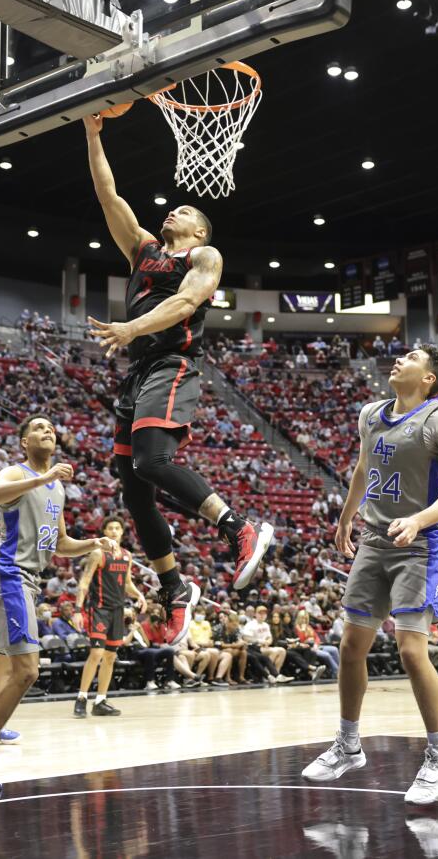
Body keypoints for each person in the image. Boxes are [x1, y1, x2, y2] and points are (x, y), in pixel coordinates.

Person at [83, 112, 274, 648]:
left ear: (199, 231)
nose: (174, 210)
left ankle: (237, 526)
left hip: (172, 364)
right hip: (139, 372)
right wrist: (93, 135)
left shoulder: (204, 256)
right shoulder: (144, 249)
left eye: (186, 210)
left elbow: (187, 302)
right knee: (135, 492)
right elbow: (107, 194)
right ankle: (175, 588)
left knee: (152, 460)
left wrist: (130, 327)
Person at [303, 345, 438, 805]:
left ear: (428, 378)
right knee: (350, 646)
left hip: (416, 545)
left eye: (412, 356)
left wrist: (420, 519)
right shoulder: (370, 414)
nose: (399, 358)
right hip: (373, 542)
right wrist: (344, 518)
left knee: (411, 648)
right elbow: (363, 468)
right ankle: (348, 744)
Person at [0, 415, 116, 791]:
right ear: (25, 442)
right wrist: (44, 478)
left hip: (29, 579)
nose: (48, 432)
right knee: (27, 671)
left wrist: (93, 543)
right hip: (9, 572)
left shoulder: (57, 491)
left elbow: (59, 544)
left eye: (52, 429)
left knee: (13, 668)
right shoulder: (16, 474)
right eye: (40, 429)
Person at [73, 516, 146, 718]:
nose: (114, 531)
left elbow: (128, 583)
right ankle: (81, 698)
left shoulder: (127, 555)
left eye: (117, 528)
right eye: (110, 528)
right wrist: (78, 610)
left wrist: (139, 595)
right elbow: (84, 582)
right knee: (96, 653)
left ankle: (100, 701)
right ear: (104, 532)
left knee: (110, 656)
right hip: (99, 609)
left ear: (122, 532)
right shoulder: (98, 553)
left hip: (117, 610)